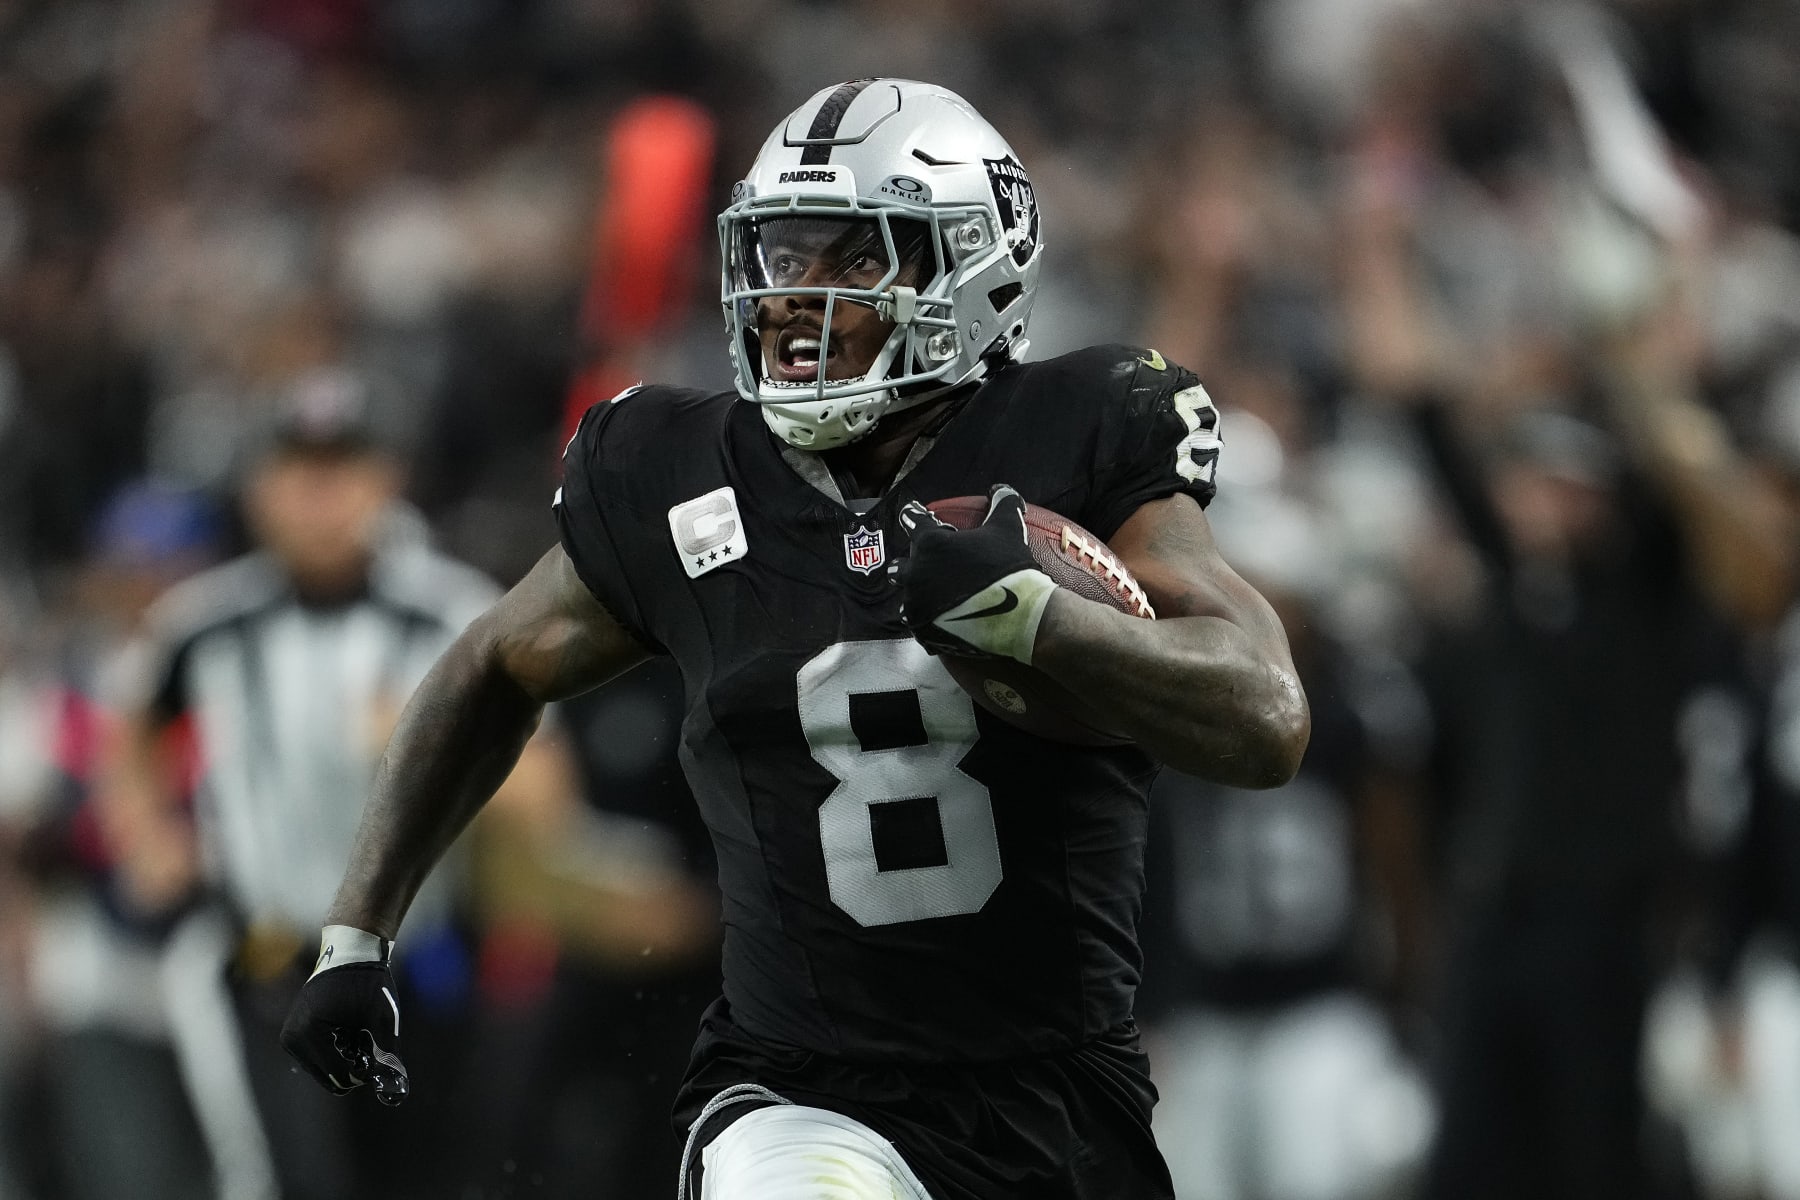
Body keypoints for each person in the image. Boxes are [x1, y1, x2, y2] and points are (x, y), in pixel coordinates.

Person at [281, 79, 1310, 1200]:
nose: (789, 300)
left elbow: (1264, 720)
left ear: (967, 264)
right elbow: (490, 665)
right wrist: (356, 934)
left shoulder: (1086, 429)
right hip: (802, 1090)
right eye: (777, 257)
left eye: (848, 261)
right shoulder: (677, 472)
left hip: (1060, 1094)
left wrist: (1041, 623)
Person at [107, 368, 566, 1200]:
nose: (319, 496)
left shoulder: (452, 616)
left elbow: (547, 791)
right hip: (263, 967)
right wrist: (147, 832)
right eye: (297, 470)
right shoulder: (205, 623)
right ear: (259, 488)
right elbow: (130, 725)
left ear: (385, 479)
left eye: (341, 468)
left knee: (423, 1182)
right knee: (283, 1181)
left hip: (419, 971)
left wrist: (430, 740)